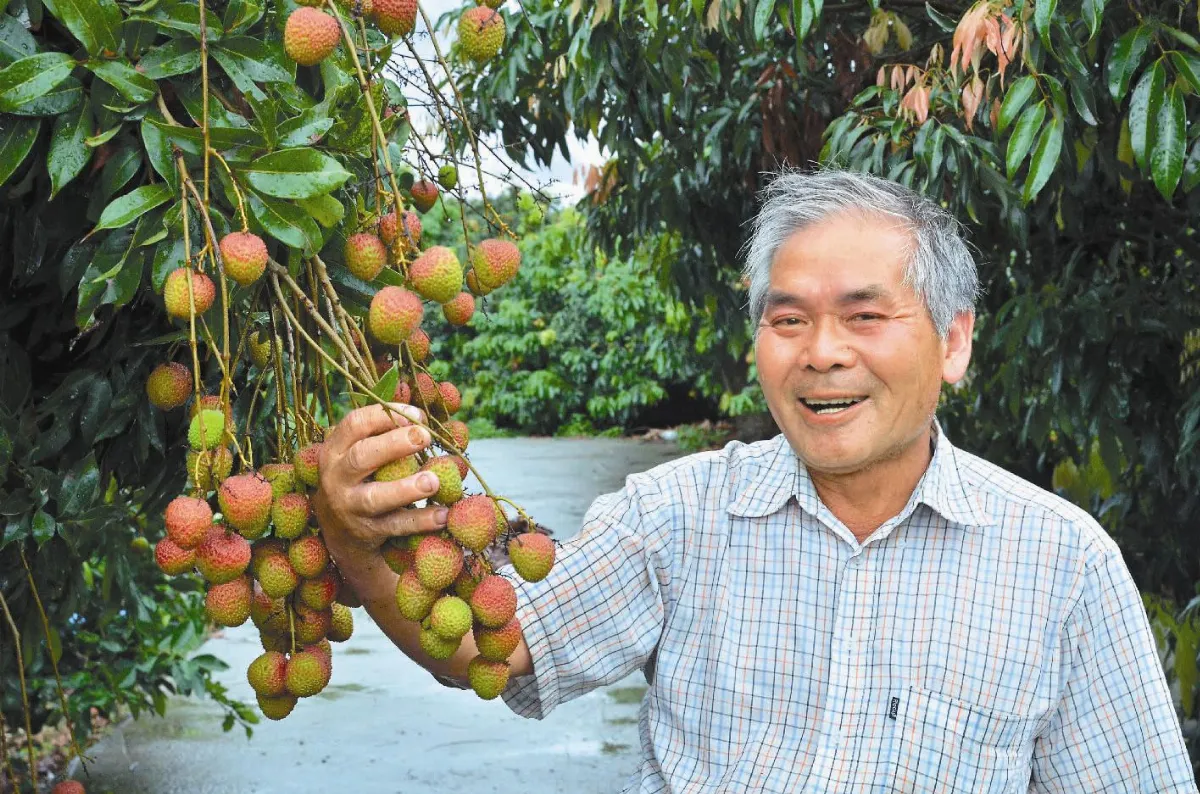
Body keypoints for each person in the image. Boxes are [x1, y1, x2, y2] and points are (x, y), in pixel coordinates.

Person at [313, 169, 1197, 792]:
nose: (821, 353)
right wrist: (352, 536)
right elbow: (488, 655)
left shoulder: (1062, 562)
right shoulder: (675, 515)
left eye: (864, 316)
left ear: (954, 342)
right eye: (788, 319)